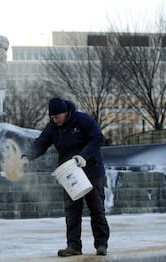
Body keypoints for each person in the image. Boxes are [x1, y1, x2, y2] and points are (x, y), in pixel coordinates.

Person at [21, 97, 110, 257]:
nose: (55, 121)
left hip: (91, 169)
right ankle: (74, 246)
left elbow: (98, 138)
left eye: (57, 117)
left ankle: (101, 244)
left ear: (66, 112)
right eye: (52, 118)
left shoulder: (82, 120)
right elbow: (41, 142)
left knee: (96, 208)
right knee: (72, 210)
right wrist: (27, 156)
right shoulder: (53, 127)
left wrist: (84, 156)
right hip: (69, 172)